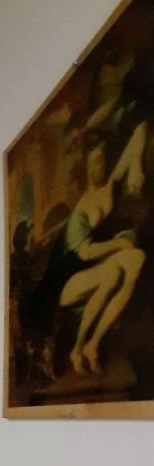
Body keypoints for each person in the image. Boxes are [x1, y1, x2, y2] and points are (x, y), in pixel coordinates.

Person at [57, 121, 148, 374]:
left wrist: (136, 164)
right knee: (113, 272)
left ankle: (93, 344)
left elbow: (140, 129)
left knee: (137, 259)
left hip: (102, 267)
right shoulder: (80, 211)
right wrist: (119, 243)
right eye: (93, 163)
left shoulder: (110, 185)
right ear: (84, 168)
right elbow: (86, 253)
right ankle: (77, 348)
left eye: (101, 160)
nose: (98, 167)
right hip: (72, 281)